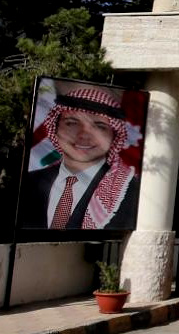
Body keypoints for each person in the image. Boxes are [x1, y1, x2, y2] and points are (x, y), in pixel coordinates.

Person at [22, 86, 139, 230]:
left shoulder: (132, 192)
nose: (84, 135)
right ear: (55, 128)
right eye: (72, 123)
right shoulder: (28, 182)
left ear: (114, 135)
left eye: (99, 126)